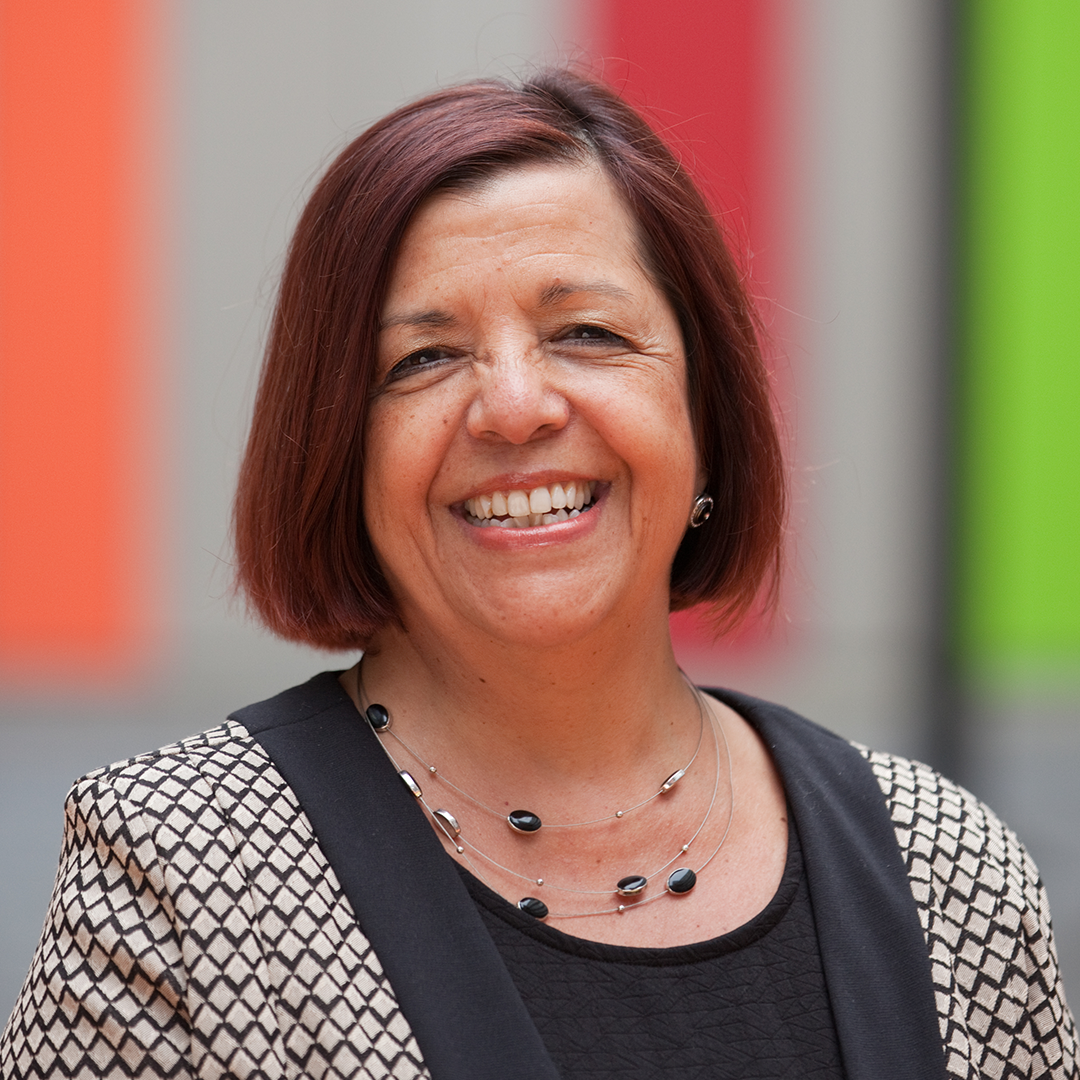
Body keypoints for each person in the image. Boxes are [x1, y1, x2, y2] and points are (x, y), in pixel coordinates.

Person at [1, 69, 1075, 1080]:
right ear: (337, 448)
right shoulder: (183, 869)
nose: (515, 407)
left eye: (588, 332)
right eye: (422, 358)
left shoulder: (949, 870)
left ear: (704, 414)